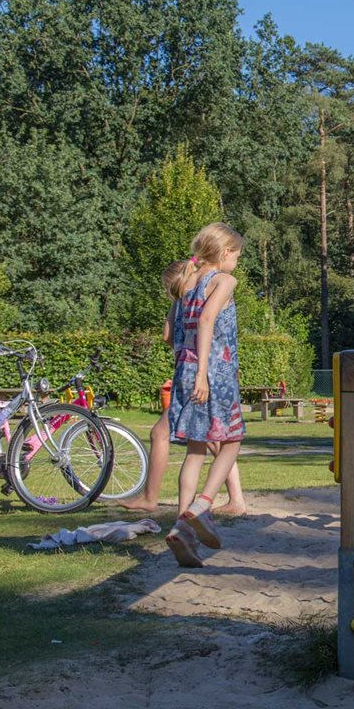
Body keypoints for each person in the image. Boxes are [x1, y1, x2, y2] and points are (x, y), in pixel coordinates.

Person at [118, 260, 246, 516]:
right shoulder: (203, 291)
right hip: (213, 371)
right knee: (219, 437)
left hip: (196, 375)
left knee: (193, 439)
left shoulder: (183, 300)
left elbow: (168, 335)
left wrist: (187, 356)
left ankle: (165, 501)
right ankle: (229, 500)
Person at [163, 223, 248, 567]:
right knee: (232, 440)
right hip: (214, 373)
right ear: (226, 252)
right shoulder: (224, 282)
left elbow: (170, 335)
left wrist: (189, 367)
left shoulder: (185, 282)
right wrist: (204, 373)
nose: (238, 263)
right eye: (237, 255)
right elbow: (209, 319)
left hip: (184, 369)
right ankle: (202, 505)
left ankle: (182, 529)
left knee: (196, 451)